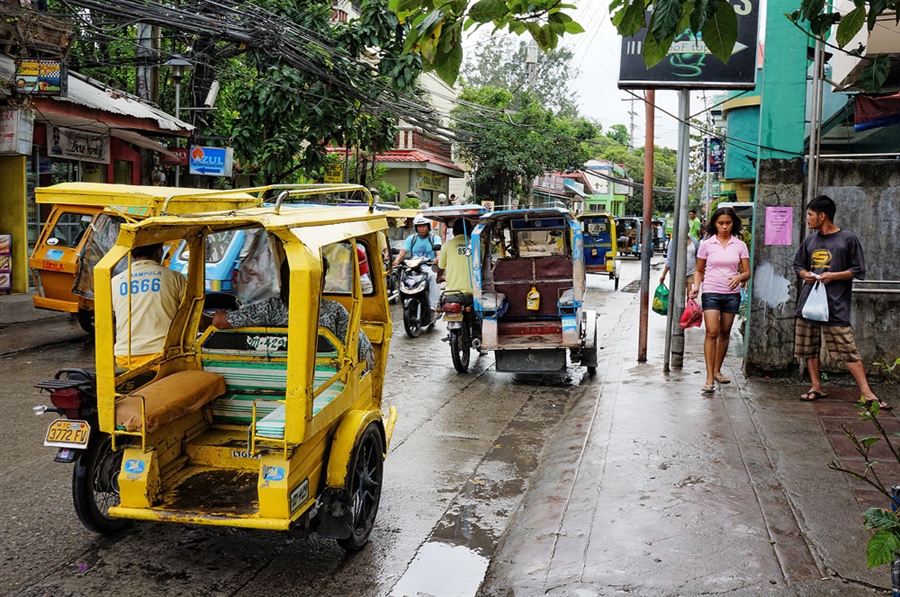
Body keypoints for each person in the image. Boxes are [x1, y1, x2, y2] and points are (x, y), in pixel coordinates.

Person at [792, 195, 887, 408]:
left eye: (810, 215)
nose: (807, 219)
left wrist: (833, 276)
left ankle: (867, 392)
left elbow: (857, 270)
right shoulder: (810, 240)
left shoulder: (847, 239)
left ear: (822, 216)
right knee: (809, 347)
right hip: (809, 302)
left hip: (835, 303)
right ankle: (816, 386)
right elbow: (798, 265)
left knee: (847, 348)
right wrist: (805, 274)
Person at [210, 259, 374, 370]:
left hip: (271, 378)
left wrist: (222, 312)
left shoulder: (269, 308)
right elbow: (364, 352)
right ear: (320, 280)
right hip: (324, 383)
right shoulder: (334, 312)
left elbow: (219, 322)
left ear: (285, 279)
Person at [689, 207, 750, 393]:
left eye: (728, 223)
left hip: (732, 294)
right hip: (711, 292)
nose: (724, 227)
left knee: (724, 332)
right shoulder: (707, 244)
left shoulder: (739, 245)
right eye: (721, 223)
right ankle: (709, 378)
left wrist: (739, 278)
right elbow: (699, 270)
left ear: (733, 224)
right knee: (711, 331)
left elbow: (747, 272)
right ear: (715, 224)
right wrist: (696, 287)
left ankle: (717, 370)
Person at [112, 243, 186, 369]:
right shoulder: (175, 277)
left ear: (131, 254)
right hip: (163, 356)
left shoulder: (114, 282)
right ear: (159, 251)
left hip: (125, 357)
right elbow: (190, 315)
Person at [393, 214, 442, 313]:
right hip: (414, 267)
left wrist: (438, 258)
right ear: (416, 227)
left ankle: (433, 307)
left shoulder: (434, 238)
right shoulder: (412, 238)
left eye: (424, 226)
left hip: (429, 266)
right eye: (419, 226)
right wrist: (396, 261)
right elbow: (403, 252)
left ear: (428, 226)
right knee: (404, 277)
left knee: (434, 277)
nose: (421, 228)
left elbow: (439, 252)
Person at [659, 228, 698, 297]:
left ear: (688, 229)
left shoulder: (694, 241)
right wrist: (663, 275)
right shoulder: (673, 242)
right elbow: (669, 260)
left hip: (692, 272)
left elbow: (698, 258)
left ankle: (689, 307)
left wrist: (700, 273)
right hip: (678, 273)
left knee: (691, 295)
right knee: (678, 295)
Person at [438, 219, 473, 294]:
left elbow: (441, 268)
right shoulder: (478, 245)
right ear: (470, 231)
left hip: (451, 292)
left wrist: (438, 278)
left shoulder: (446, 246)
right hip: (472, 292)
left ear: (453, 232)